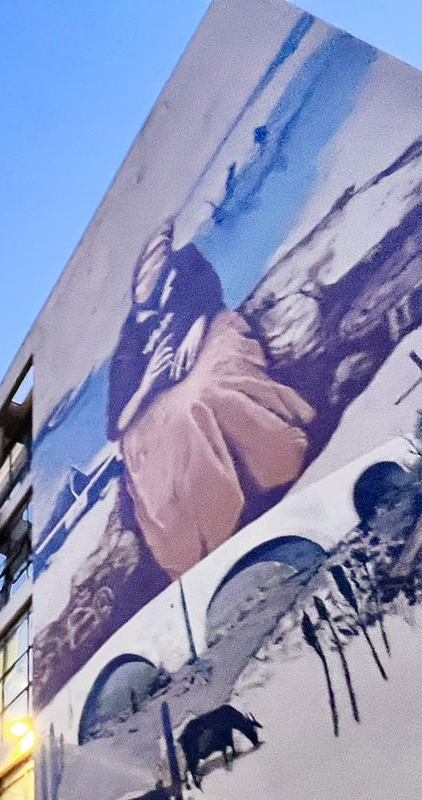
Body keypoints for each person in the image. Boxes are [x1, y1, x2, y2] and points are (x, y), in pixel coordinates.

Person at [106, 218, 315, 579]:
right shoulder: (131, 337)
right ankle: (217, 525)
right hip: (157, 397)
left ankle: (274, 465)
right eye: (146, 269)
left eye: (160, 257)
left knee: (208, 391)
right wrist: (149, 382)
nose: (153, 271)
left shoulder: (186, 263)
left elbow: (207, 292)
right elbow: (116, 423)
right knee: (176, 421)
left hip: (214, 337)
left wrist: (196, 327)